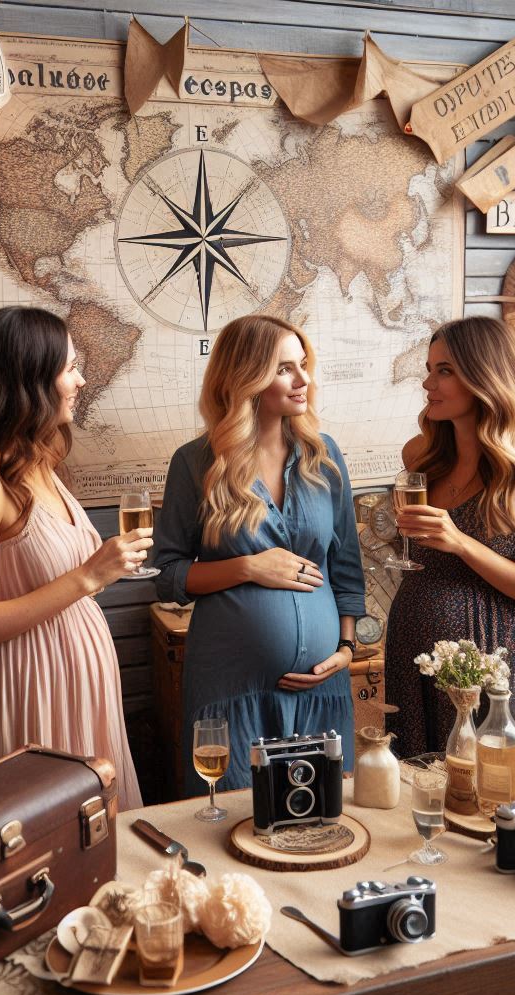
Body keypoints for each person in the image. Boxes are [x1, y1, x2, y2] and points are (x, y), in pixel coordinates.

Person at [0, 306, 148, 809]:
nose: (81, 380)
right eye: (69, 368)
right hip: (23, 691)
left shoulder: (42, 463)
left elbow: (41, 582)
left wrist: (100, 573)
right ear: (28, 380)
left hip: (76, 687)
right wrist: (89, 576)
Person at [154, 314, 366, 794]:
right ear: (245, 378)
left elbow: (347, 567)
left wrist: (346, 650)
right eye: (284, 368)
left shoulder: (324, 455)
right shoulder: (195, 463)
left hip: (321, 692)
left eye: (303, 365)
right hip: (231, 693)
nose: (303, 379)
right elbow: (167, 576)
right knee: (229, 822)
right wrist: (247, 566)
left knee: (323, 817)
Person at [384, 316, 515, 758]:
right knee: (415, 799)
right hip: (414, 653)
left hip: (492, 664)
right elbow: (415, 552)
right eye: (430, 368)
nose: (428, 382)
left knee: (492, 796)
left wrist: (462, 541)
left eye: (444, 370)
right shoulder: (420, 455)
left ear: (487, 376)